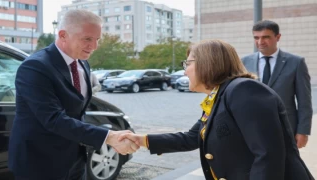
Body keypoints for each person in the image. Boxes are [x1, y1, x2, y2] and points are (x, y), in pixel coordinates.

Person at [119, 39, 315, 180]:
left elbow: (268, 156)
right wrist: (143, 140)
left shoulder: (243, 90)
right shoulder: (219, 94)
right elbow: (191, 137)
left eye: (188, 63)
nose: (185, 70)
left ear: (207, 63)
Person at [8, 9, 138, 180]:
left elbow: (77, 109)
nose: (94, 46)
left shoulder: (83, 63)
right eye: (87, 39)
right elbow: (53, 119)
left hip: (76, 159)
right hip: (39, 162)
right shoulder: (35, 67)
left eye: (97, 39)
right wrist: (109, 136)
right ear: (63, 35)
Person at [242, 20, 312, 149]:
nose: (260, 42)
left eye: (266, 37)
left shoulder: (296, 62)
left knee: (285, 166)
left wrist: (303, 131)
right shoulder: (244, 62)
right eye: (256, 37)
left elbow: (304, 102)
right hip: (251, 129)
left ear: (278, 37)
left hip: (285, 127)